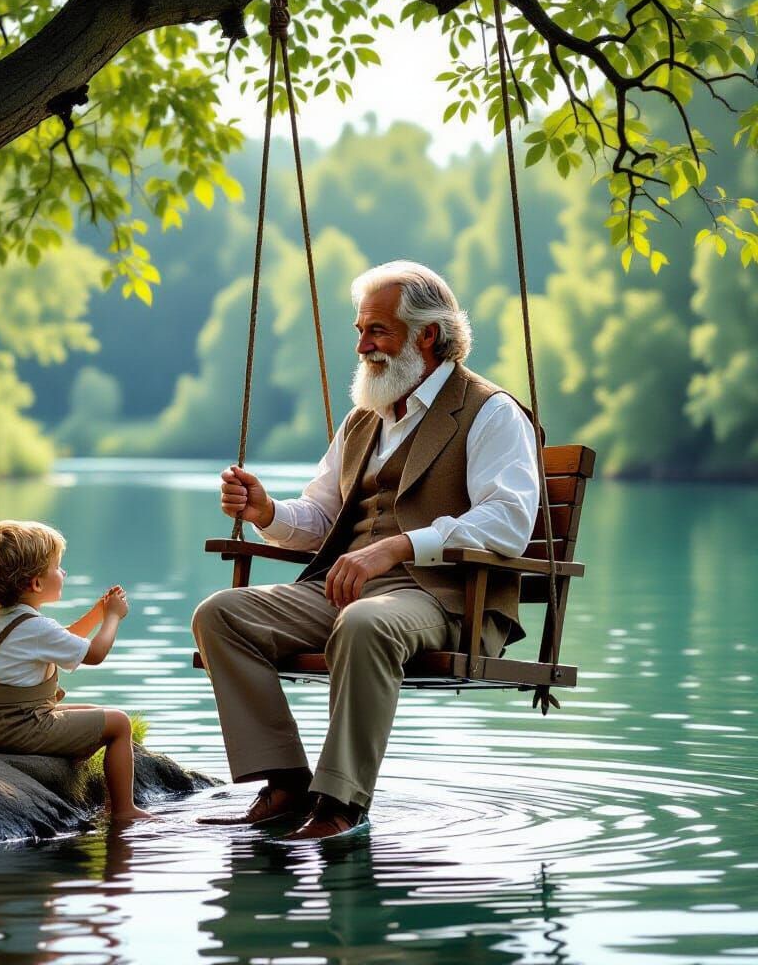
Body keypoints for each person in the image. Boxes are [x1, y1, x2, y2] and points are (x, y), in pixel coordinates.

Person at [192, 261, 540, 840]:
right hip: (347, 590)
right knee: (221, 616)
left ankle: (340, 805)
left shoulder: (490, 410)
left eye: (376, 330)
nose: (361, 345)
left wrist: (399, 547)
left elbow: (508, 521)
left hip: (444, 598)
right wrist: (267, 513)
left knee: (363, 625)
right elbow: (323, 516)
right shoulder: (365, 418)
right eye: (360, 330)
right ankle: (285, 785)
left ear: (427, 335)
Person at [0, 519, 152, 822]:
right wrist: (113, 618)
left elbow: (63, 638)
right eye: (57, 567)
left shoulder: (3, 622)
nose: (63, 573)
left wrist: (96, 613)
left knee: (94, 711)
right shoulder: (36, 627)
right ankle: (123, 810)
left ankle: (75, 759)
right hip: (23, 729)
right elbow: (94, 653)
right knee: (118, 724)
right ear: (36, 583)